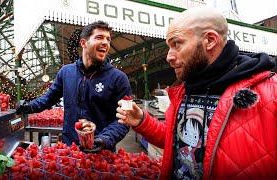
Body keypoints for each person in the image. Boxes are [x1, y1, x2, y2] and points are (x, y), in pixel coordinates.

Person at [116, 7, 277, 180]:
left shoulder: (271, 93)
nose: (169, 56)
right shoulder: (184, 91)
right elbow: (179, 141)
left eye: (176, 43)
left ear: (209, 40)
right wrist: (142, 121)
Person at [17, 21, 132, 152]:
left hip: (102, 153)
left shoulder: (119, 78)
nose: (106, 42)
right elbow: (48, 99)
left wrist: (104, 139)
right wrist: (27, 106)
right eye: (99, 37)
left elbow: (125, 119)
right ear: (83, 43)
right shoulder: (66, 72)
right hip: (70, 148)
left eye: (108, 39)